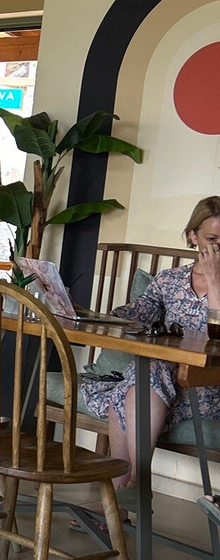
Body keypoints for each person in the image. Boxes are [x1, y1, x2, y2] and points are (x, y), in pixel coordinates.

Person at [81, 196, 220, 514]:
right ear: (192, 236)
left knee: (134, 384)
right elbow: (137, 313)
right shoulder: (169, 280)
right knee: (141, 377)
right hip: (163, 385)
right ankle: (132, 490)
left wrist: (215, 280)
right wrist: (91, 315)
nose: (218, 248)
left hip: (206, 386)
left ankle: (122, 498)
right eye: (212, 239)